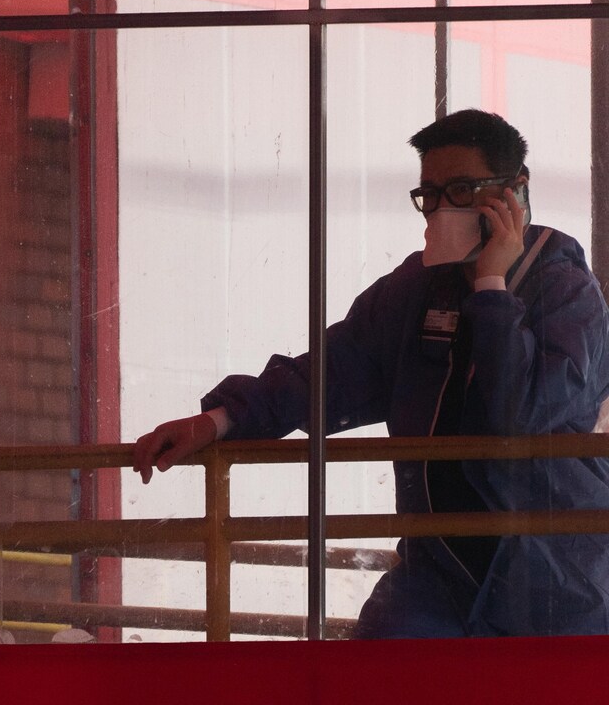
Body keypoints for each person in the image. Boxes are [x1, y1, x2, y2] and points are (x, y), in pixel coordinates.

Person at [133, 109, 609, 638]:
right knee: (379, 670)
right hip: (439, 572)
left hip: (552, 578)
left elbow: (520, 416)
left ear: (515, 192)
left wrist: (492, 284)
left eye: (462, 189)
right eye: (429, 193)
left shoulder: (567, 294)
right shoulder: (415, 290)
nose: (440, 209)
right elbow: (331, 372)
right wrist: (219, 421)